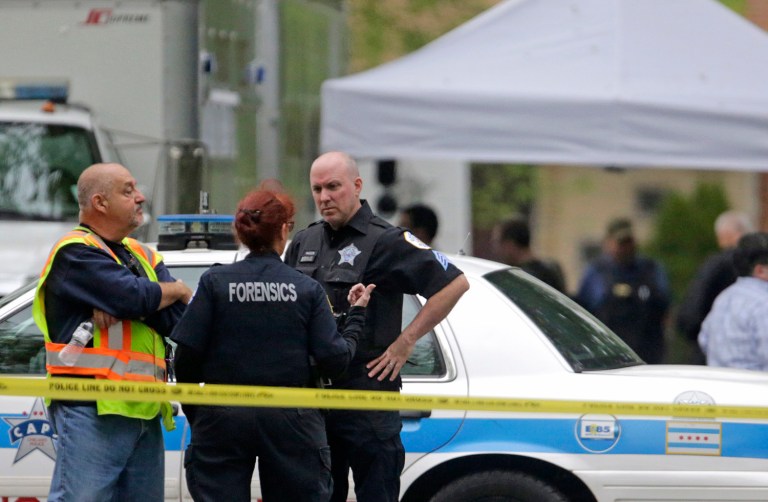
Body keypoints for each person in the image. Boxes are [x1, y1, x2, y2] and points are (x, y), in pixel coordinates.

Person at [284, 151, 469, 502]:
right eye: (317, 189)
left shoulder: (387, 240)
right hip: (315, 400)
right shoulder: (305, 242)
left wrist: (407, 340)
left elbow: (455, 284)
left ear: (357, 186)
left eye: (333, 187)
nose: (324, 197)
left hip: (367, 394)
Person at [170, 187, 375, 501]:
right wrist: (356, 317)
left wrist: (201, 412)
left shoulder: (214, 283)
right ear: (283, 229)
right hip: (293, 419)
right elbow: (335, 359)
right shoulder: (306, 289)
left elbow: (186, 356)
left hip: (221, 416)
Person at [31, 163, 193, 501]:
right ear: (100, 203)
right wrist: (172, 290)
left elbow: (176, 320)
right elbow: (133, 296)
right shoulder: (75, 252)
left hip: (144, 409)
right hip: (91, 408)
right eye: (128, 190)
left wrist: (133, 301)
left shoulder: (141, 253)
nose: (140, 197)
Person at [576, 217, 670, 363]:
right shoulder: (597, 272)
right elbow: (582, 311)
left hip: (646, 355)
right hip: (605, 354)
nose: (626, 248)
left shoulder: (651, 269)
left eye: (629, 242)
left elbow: (664, 307)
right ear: (608, 243)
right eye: (621, 243)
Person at [677, 210, 754, 363]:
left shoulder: (717, 265)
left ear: (724, 235)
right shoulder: (754, 266)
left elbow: (689, 315)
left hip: (712, 354)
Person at [698, 232, 768, 370]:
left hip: (719, 384)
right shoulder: (764, 303)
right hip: (756, 387)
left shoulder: (724, 297)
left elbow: (704, 340)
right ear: (760, 270)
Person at [490, 216, 567, 293]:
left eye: (497, 242)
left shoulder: (520, 278)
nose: (496, 250)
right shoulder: (552, 267)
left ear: (510, 244)